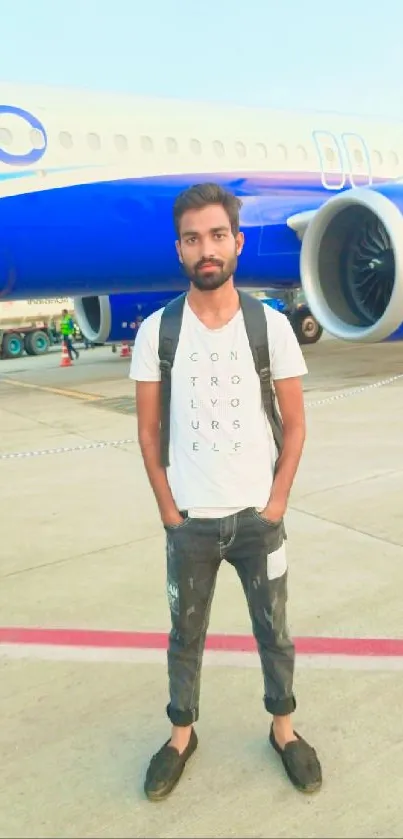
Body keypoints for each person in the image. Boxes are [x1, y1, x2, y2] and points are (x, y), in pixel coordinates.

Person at [129, 183, 322, 802]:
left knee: (276, 631)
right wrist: (168, 510)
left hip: (258, 520)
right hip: (190, 524)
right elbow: (148, 431)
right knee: (184, 635)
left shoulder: (272, 327)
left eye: (217, 235)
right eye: (192, 239)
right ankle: (182, 736)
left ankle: (284, 730)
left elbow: (295, 425)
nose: (205, 249)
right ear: (180, 250)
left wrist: (277, 503)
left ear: (236, 243)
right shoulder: (158, 333)